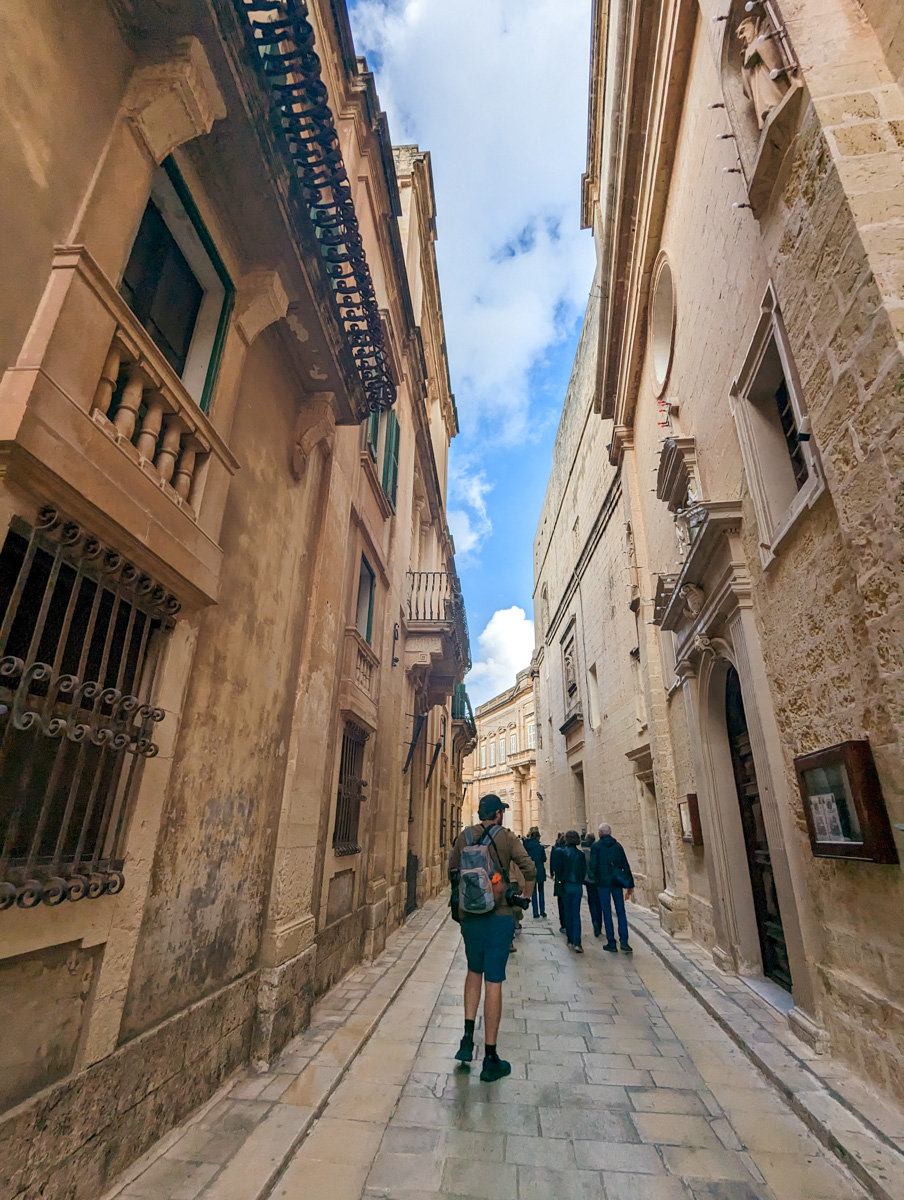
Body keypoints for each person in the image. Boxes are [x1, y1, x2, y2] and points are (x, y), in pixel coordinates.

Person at [448, 794, 536, 1081]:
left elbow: (452, 869)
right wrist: (526, 896)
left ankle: (466, 1038)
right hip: (499, 917)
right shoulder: (507, 838)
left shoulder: (464, 836)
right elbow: (529, 868)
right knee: (493, 981)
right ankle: (490, 1056)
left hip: (470, 916)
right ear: (498, 814)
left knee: (473, 972)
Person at [590, 822, 635, 953]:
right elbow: (625, 865)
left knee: (607, 911)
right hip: (616, 883)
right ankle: (624, 941)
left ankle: (611, 942)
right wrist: (630, 884)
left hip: (603, 884)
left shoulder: (596, 847)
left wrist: (595, 878)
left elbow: (593, 866)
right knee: (621, 911)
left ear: (601, 833)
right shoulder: (617, 846)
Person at [559, 830, 587, 953]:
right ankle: (578, 942)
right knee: (576, 914)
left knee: (568, 912)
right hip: (577, 886)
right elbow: (583, 870)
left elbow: (560, 870)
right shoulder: (580, 855)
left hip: (566, 886)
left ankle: (570, 940)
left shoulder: (562, 853)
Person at [581, 832, 603, 938]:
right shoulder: (599, 849)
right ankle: (599, 924)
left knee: (592, 902)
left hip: (589, 881)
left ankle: (595, 923)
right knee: (599, 903)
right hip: (599, 881)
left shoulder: (584, 853)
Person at [522, 826, 547, 918]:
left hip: (530, 870)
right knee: (541, 891)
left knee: (533, 892)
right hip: (540, 870)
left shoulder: (526, 846)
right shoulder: (540, 847)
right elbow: (544, 859)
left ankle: (535, 912)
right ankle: (542, 911)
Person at [549, 832, 567, 932]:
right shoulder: (566, 850)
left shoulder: (555, 849)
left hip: (559, 879)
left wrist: (552, 873)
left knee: (561, 902)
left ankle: (563, 923)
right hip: (567, 879)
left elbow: (552, 862)